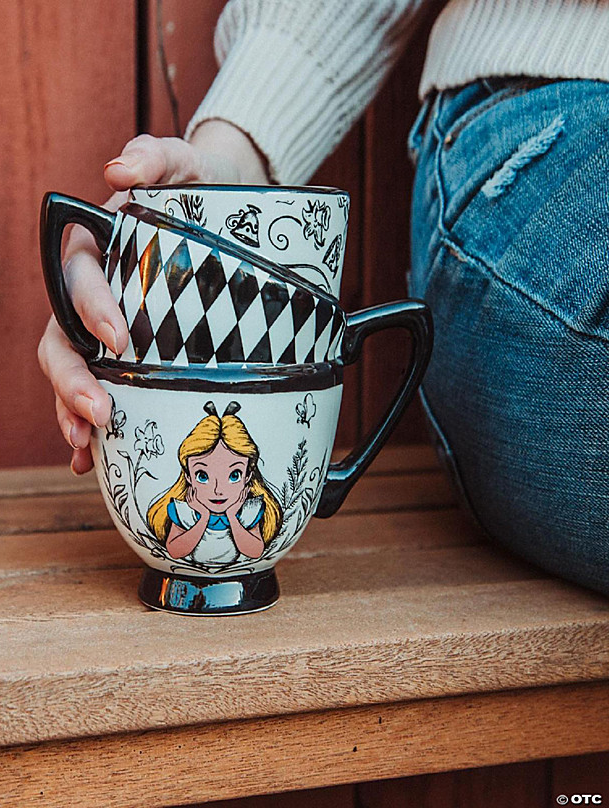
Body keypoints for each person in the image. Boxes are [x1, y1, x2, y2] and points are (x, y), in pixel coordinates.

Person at [38, 0, 609, 595]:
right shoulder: (183, 509)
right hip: (550, 120)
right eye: (204, 473)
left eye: (230, 474)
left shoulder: (247, 507)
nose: (216, 485)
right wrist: (230, 167)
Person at [146, 401, 283, 564]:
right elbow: (175, 551)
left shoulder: (248, 511)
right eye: (202, 476)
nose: (218, 490)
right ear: (188, 476)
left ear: (247, 477)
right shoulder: (185, 512)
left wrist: (233, 517)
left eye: (234, 475)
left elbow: (254, 551)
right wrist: (203, 518)